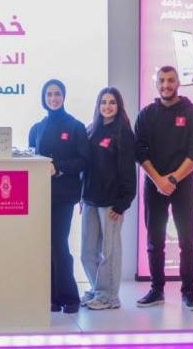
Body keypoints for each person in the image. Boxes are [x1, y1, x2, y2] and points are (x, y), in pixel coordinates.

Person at [135, 66, 193, 311]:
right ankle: (156, 290)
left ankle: (188, 293)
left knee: (188, 241)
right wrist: (159, 180)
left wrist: (173, 179)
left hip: (184, 185)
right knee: (154, 241)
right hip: (154, 185)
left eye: (170, 80)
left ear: (178, 83)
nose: (166, 85)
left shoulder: (192, 113)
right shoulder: (146, 115)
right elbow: (139, 152)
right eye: (162, 81)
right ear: (156, 84)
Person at [28, 79, 90, 314]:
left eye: (57, 94)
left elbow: (84, 160)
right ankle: (51, 297)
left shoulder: (75, 127)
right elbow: (32, 158)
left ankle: (69, 297)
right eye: (49, 94)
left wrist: (59, 167)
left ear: (63, 96)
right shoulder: (37, 128)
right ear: (44, 98)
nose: (53, 98)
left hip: (64, 195)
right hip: (40, 195)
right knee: (46, 245)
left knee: (59, 243)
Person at [80, 87, 136, 310]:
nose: (107, 106)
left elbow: (128, 171)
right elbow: (86, 167)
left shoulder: (123, 133)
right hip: (90, 200)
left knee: (109, 253)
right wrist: (82, 196)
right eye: (103, 102)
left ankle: (109, 296)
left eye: (112, 102)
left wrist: (123, 203)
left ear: (118, 105)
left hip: (112, 203)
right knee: (87, 252)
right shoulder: (91, 130)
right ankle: (98, 289)